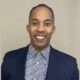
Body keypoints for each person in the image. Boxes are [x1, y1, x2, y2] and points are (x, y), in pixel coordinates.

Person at [1, 4, 79, 80]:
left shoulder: (69, 65)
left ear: (53, 29)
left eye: (47, 24)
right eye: (35, 23)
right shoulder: (9, 60)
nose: (40, 29)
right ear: (28, 28)